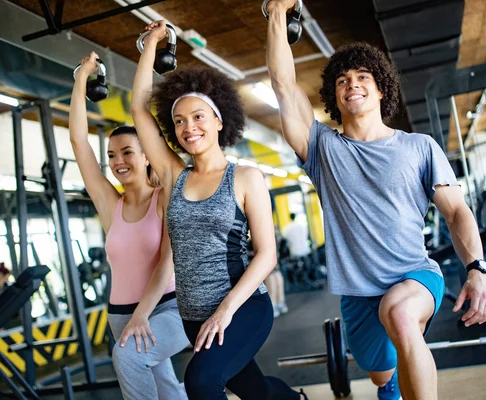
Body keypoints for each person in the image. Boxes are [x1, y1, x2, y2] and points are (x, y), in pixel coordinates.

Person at [265, 2, 486, 400]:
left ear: (381, 88)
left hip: (414, 277)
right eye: (341, 80)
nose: (351, 83)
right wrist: (276, 14)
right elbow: (283, 83)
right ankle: (388, 386)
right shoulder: (321, 148)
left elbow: (457, 211)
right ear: (333, 96)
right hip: (357, 293)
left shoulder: (419, 147)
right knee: (381, 374)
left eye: (362, 76)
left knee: (401, 315)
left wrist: (477, 268)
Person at [130, 20, 307, 400]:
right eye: (179, 121)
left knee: (201, 382)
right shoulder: (173, 175)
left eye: (197, 117)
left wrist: (225, 311)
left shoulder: (245, 177)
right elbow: (139, 110)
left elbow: (267, 253)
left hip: (241, 308)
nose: (188, 127)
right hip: (193, 316)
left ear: (218, 120)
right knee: (255, 391)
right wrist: (150, 47)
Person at [69, 52, 188, 400]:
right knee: (165, 387)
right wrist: (81, 80)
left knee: (129, 356)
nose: (117, 161)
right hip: (120, 315)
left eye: (127, 152)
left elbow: (167, 262)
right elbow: (79, 143)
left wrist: (142, 314)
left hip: (168, 308)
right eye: (111, 155)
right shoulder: (111, 205)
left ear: (147, 154)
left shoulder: (165, 196)